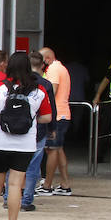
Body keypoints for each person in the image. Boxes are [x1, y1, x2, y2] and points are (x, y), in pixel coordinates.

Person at [0, 51, 52, 220]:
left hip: (1, 143)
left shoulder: (0, 87)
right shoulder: (39, 90)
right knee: (15, 185)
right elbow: (47, 117)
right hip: (25, 145)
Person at [15, 51, 56, 212]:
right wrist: (53, 128)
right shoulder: (45, 85)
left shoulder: (15, 82)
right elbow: (50, 111)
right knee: (33, 167)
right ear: (42, 65)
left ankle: (8, 198)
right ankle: (26, 200)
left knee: (14, 165)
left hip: (16, 129)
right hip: (38, 130)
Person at [39, 46, 73, 197]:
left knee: (51, 150)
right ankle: (65, 184)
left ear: (47, 59)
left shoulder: (53, 69)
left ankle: (47, 185)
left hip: (57, 114)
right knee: (58, 150)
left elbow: (51, 92)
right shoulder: (61, 68)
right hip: (62, 113)